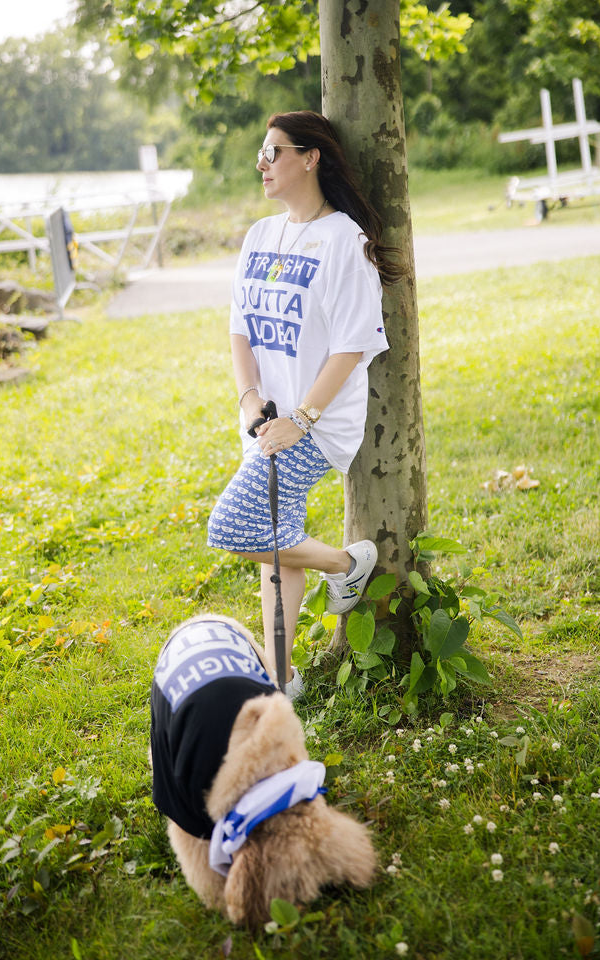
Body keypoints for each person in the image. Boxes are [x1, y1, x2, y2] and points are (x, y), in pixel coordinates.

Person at [208, 110, 402, 700]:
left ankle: (347, 565)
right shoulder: (260, 235)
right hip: (268, 422)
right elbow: (240, 329)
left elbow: (351, 345)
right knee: (277, 540)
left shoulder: (345, 238)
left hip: (316, 421)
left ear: (309, 157)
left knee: (236, 526)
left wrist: (301, 419)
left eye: (273, 153)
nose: (262, 164)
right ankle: (280, 677)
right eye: (260, 155)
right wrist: (249, 400)